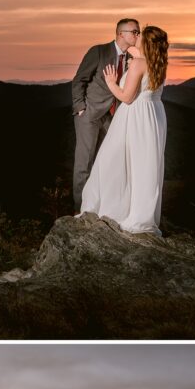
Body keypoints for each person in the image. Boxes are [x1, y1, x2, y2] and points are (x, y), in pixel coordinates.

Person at [80, 25, 169, 236]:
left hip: (134, 115)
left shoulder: (138, 63)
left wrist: (111, 83)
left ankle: (115, 208)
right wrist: (134, 58)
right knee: (143, 165)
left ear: (146, 43)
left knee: (113, 161)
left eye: (140, 35)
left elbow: (127, 97)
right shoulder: (159, 63)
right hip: (154, 115)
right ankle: (138, 210)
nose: (136, 37)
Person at [71, 17, 141, 211]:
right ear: (121, 34)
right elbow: (79, 80)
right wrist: (80, 108)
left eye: (138, 32)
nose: (137, 35)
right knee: (84, 163)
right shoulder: (99, 51)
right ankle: (80, 210)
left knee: (108, 162)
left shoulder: (132, 59)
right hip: (89, 116)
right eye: (134, 31)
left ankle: (101, 206)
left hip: (113, 118)